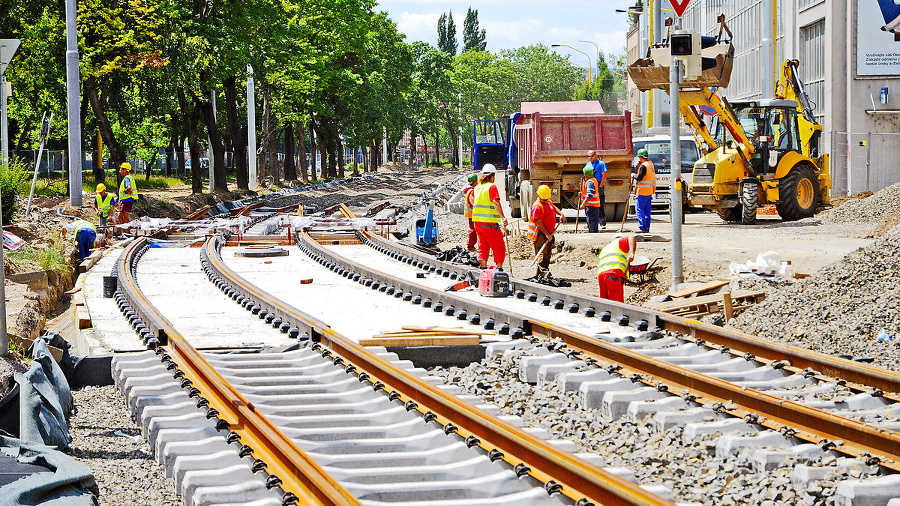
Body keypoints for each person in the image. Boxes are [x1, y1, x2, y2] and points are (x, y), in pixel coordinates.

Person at [472, 163, 509, 269]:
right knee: (499, 247)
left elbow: (473, 199)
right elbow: (495, 202)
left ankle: (483, 269)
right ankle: (498, 270)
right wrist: (502, 217)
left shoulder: (478, 187)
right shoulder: (491, 187)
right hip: (489, 224)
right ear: (492, 176)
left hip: (477, 223)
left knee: (483, 247)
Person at [527, 184, 566, 276]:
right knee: (542, 253)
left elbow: (553, 208)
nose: (546, 200)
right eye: (544, 199)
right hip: (540, 233)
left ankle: (541, 274)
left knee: (548, 253)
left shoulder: (548, 202)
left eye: (547, 199)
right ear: (539, 196)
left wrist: (561, 214)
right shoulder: (537, 207)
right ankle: (544, 271)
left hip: (549, 232)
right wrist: (546, 234)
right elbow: (539, 223)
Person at [596, 234, 637, 303]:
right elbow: (631, 237)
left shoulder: (606, 247)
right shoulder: (619, 241)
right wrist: (632, 252)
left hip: (601, 276)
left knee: (605, 304)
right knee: (617, 304)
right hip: (613, 274)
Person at [579, 151, 607, 232]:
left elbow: (604, 175)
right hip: (591, 183)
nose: (590, 157)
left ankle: (602, 222)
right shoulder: (588, 165)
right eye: (589, 156)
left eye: (592, 156)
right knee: (589, 208)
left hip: (597, 184)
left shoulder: (601, 164)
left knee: (600, 204)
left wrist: (601, 186)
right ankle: (589, 224)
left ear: (596, 155)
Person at [633, 149, 656, 233]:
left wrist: (633, 175)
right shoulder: (650, 164)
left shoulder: (643, 166)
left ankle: (642, 227)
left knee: (639, 209)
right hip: (649, 191)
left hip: (642, 191)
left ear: (640, 157)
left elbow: (639, 177)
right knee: (647, 211)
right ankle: (646, 227)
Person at [117, 162, 138, 232]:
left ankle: (127, 232)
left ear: (125, 170)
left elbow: (129, 187)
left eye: (121, 169)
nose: (119, 171)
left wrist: (127, 191)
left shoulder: (127, 178)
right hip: (125, 200)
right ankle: (124, 231)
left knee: (125, 217)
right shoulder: (130, 177)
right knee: (120, 216)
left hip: (126, 200)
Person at [463, 173, 478, 252]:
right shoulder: (471, 191)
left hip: (470, 213)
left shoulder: (469, 190)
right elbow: (473, 203)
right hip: (472, 214)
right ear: (474, 181)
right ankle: (470, 245)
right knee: (473, 230)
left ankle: (471, 245)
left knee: (474, 229)